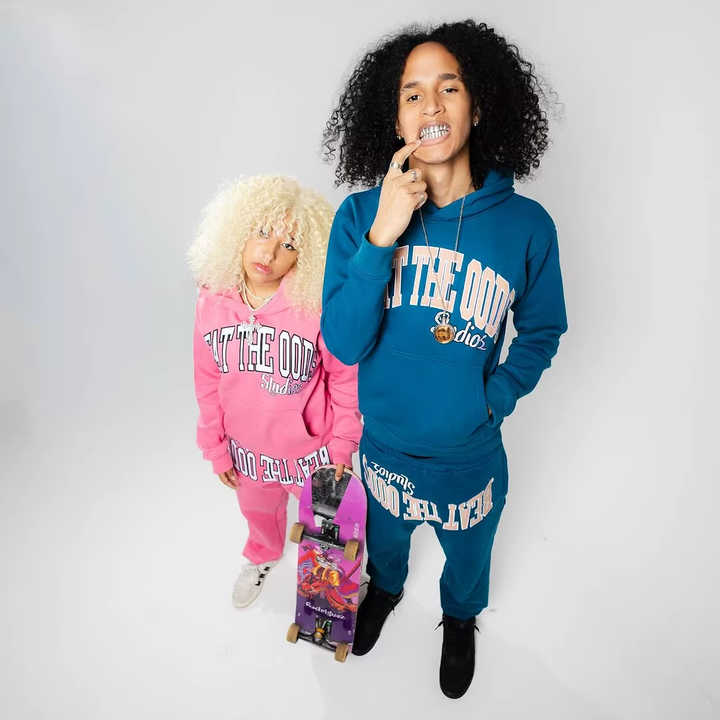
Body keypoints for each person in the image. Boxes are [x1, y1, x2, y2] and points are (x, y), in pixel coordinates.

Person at [321, 21, 567, 698]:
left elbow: (543, 329)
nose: (430, 105)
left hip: (469, 453)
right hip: (383, 448)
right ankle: (386, 589)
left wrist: (496, 396)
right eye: (412, 94)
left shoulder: (526, 226)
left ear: (478, 105)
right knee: (386, 543)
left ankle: (459, 619)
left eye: (448, 87)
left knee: (468, 556)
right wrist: (383, 234)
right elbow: (343, 343)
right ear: (394, 117)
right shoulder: (359, 216)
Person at [189, 176, 362, 609]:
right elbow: (206, 381)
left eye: (288, 245)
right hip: (248, 455)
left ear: (306, 256)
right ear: (238, 230)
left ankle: (338, 571)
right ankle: (263, 555)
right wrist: (215, 446)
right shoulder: (212, 301)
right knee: (258, 515)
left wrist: (342, 446)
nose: (268, 254)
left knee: (329, 524)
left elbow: (344, 380)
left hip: (311, 455)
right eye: (263, 232)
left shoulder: (314, 308)